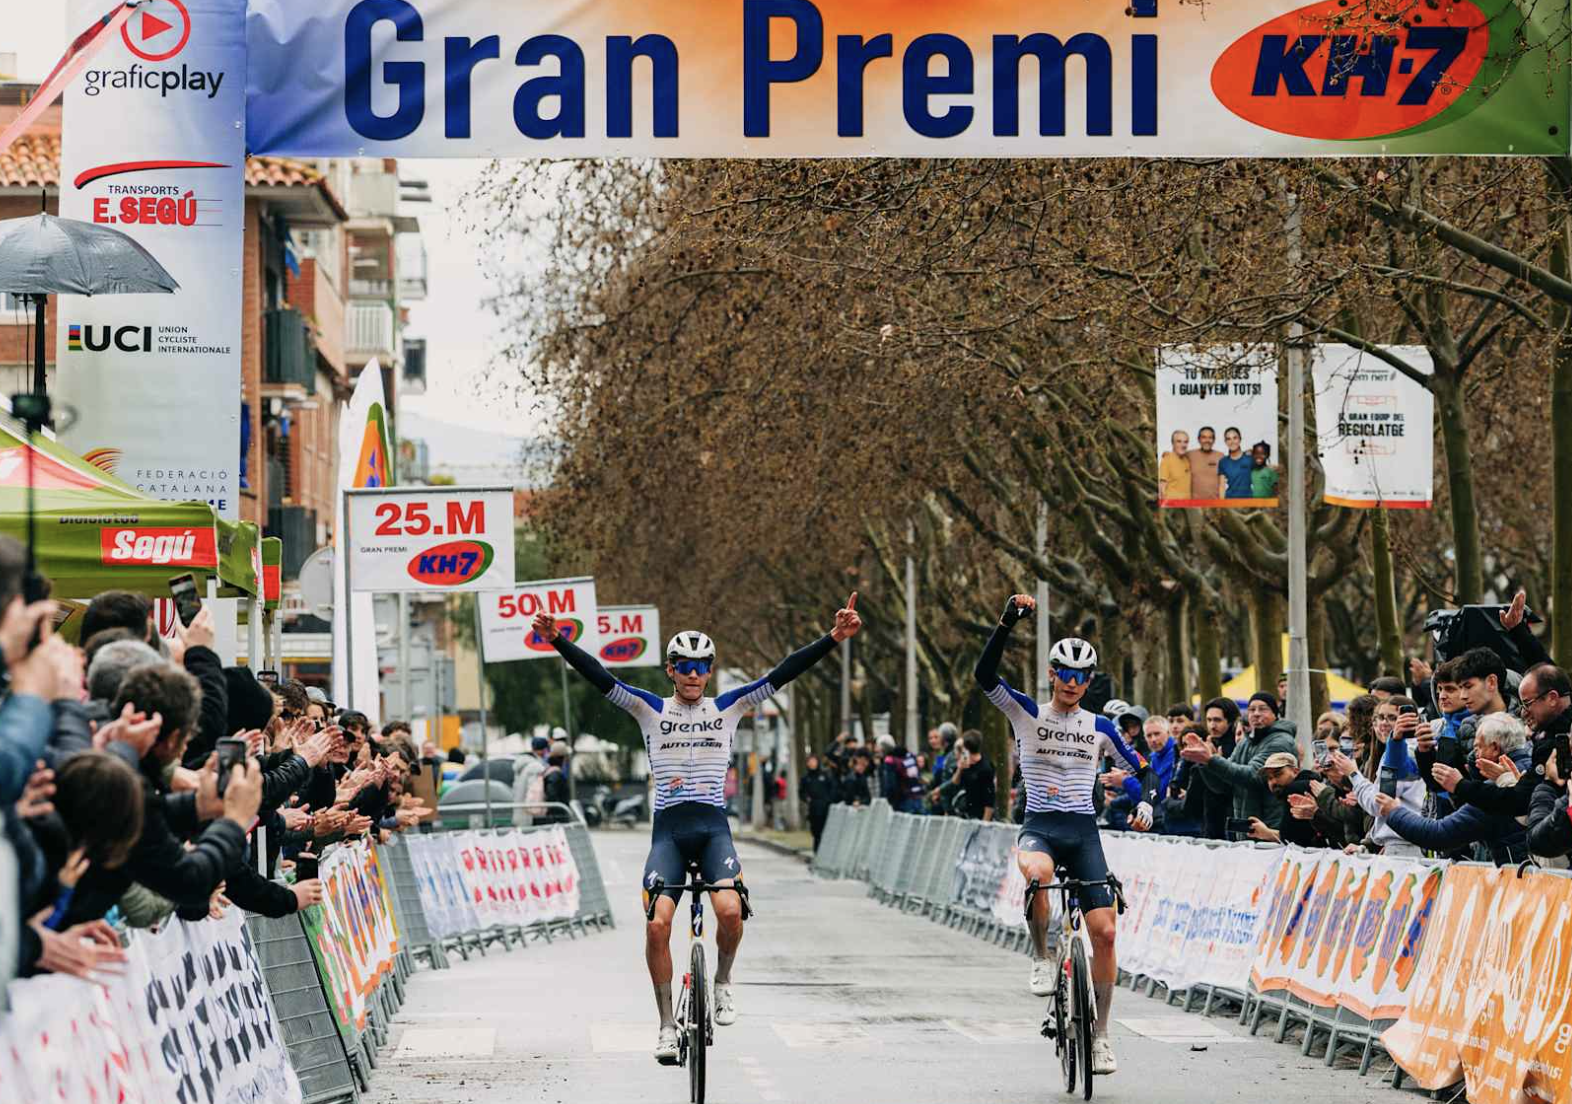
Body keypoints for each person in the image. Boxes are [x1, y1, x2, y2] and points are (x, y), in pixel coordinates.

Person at [535, 594, 861, 1062]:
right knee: (656, 927)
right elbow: (601, 677)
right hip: (667, 833)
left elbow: (784, 672)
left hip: (712, 830)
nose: (693, 673)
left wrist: (833, 638)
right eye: (684, 665)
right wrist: (558, 641)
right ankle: (667, 1025)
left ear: (709, 670)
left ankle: (724, 982)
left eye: (702, 665)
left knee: (730, 912)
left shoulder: (729, 707)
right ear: (670, 669)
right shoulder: (649, 709)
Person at [974, 593, 1153, 1077]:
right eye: (1064, 675)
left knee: (1107, 932)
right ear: (1052, 674)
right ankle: (1041, 955)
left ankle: (1101, 1037)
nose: (1073, 684)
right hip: (1041, 828)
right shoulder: (1027, 713)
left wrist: (1143, 799)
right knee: (1037, 871)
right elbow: (984, 676)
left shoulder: (1100, 728)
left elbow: (1143, 770)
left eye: (1082, 677)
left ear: (1090, 682)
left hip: (1083, 832)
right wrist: (1009, 622)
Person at [1180, 692, 1297, 835]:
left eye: (1263, 709)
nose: (1256, 714)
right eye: (1252, 710)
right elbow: (1222, 785)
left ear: (1275, 714)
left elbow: (1254, 775)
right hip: (1244, 830)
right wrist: (1205, 764)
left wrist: (1211, 759)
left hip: (1270, 829)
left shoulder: (1280, 741)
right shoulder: (1246, 742)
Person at [953, 730, 996, 821]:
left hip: (981, 815)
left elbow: (989, 799)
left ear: (965, 747)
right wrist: (960, 769)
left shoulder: (985, 768)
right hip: (967, 814)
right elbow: (955, 782)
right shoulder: (965, 763)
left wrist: (984, 824)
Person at [801, 754, 838, 850]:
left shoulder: (825, 775)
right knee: (816, 831)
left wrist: (829, 800)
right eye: (810, 762)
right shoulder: (805, 778)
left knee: (825, 830)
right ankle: (816, 852)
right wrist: (806, 798)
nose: (812, 763)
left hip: (825, 807)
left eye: (814, 761)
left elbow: (832, 788)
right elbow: (801, 792)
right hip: (813, 808)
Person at [512, 734, 550, 827]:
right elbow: (534, 794)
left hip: (519, 812)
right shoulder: (536, 767)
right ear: (544, 750)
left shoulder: (523, 766)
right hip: (530, 817)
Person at [1186, 426, 1222, 501]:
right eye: (1204, 437)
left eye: (1210, 437)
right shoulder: (1189, 455)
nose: (1207, 440)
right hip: (1194, 504)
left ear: (1214, 440)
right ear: (1199, 439)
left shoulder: (1220, 456)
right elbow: (1176, 457)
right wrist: (1168, 455)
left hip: (1215, 503)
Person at [1217, 427, 1253, 499]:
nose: (1232, 441)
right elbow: (1222, 486)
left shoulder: (1250, 459)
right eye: (1228, 439)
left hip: (1249, 500)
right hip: (1230, 501)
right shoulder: (1223, 462)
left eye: (1235, 438)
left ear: (1240, 439)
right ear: (1225, 442)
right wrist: (1221, 504)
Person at [1158, 430, 1192, 502]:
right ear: (1173, 443)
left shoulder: (1187, 460)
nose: (1183, 445)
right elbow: (1162, 488)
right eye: (1179, 441)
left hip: (1187, 505)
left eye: (1185, 442)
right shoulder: (1167, 460)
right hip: (1172, 505)